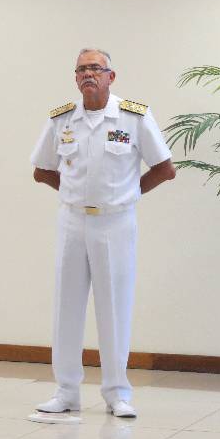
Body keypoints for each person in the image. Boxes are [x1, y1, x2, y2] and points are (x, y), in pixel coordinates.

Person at [31, 48, 175, 418]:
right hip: (72, 221)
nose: (88, 74)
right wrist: (73, 193)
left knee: (114, 307)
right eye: (81, 69)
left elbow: (165, 169)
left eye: (96, 68)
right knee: (66, 306)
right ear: (75, 78)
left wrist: (128, 194)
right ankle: (66, 392)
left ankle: (117, 393)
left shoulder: (133, 116)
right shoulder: (62, 119)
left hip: (115, 222)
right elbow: (41, 170)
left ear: (112, 76)